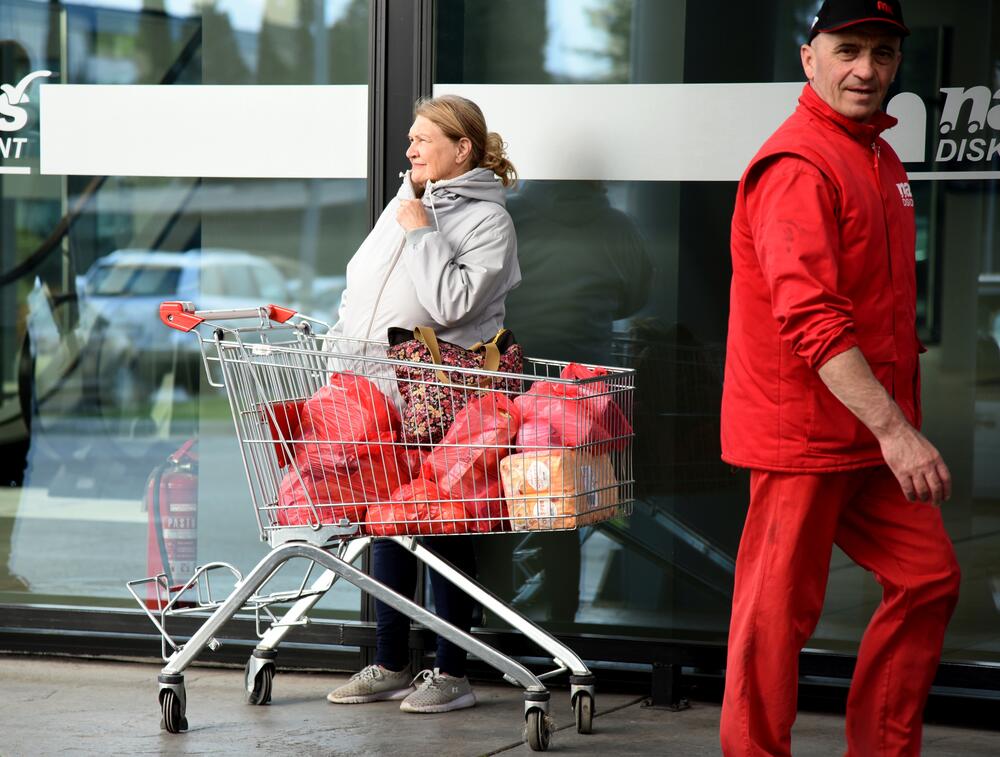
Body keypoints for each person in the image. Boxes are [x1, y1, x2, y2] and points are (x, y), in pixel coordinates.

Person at [719, 1, 961, 754]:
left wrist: (891, 425)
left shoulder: (875, 155)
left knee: (929, 577)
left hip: (870, 431)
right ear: (809, 58)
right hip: (804, 434)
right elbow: (812, 321)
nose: (866, 69)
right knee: (774, 621)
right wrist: (899, 431)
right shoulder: (798, 164)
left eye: (882, 54)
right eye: (848, 50)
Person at [324, 95, 519, 713]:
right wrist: (339, 352)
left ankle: (452, 671)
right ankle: (388, 661)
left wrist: (420, 232)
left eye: (422, 139)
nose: (409, 150)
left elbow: (452, 305)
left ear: (462, 149)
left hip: (441, 395)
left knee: (439, 526)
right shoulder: (407, 202)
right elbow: (364, 284)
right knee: (386, 521)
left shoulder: (490, 222)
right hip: (376, 388)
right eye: (409, 139)